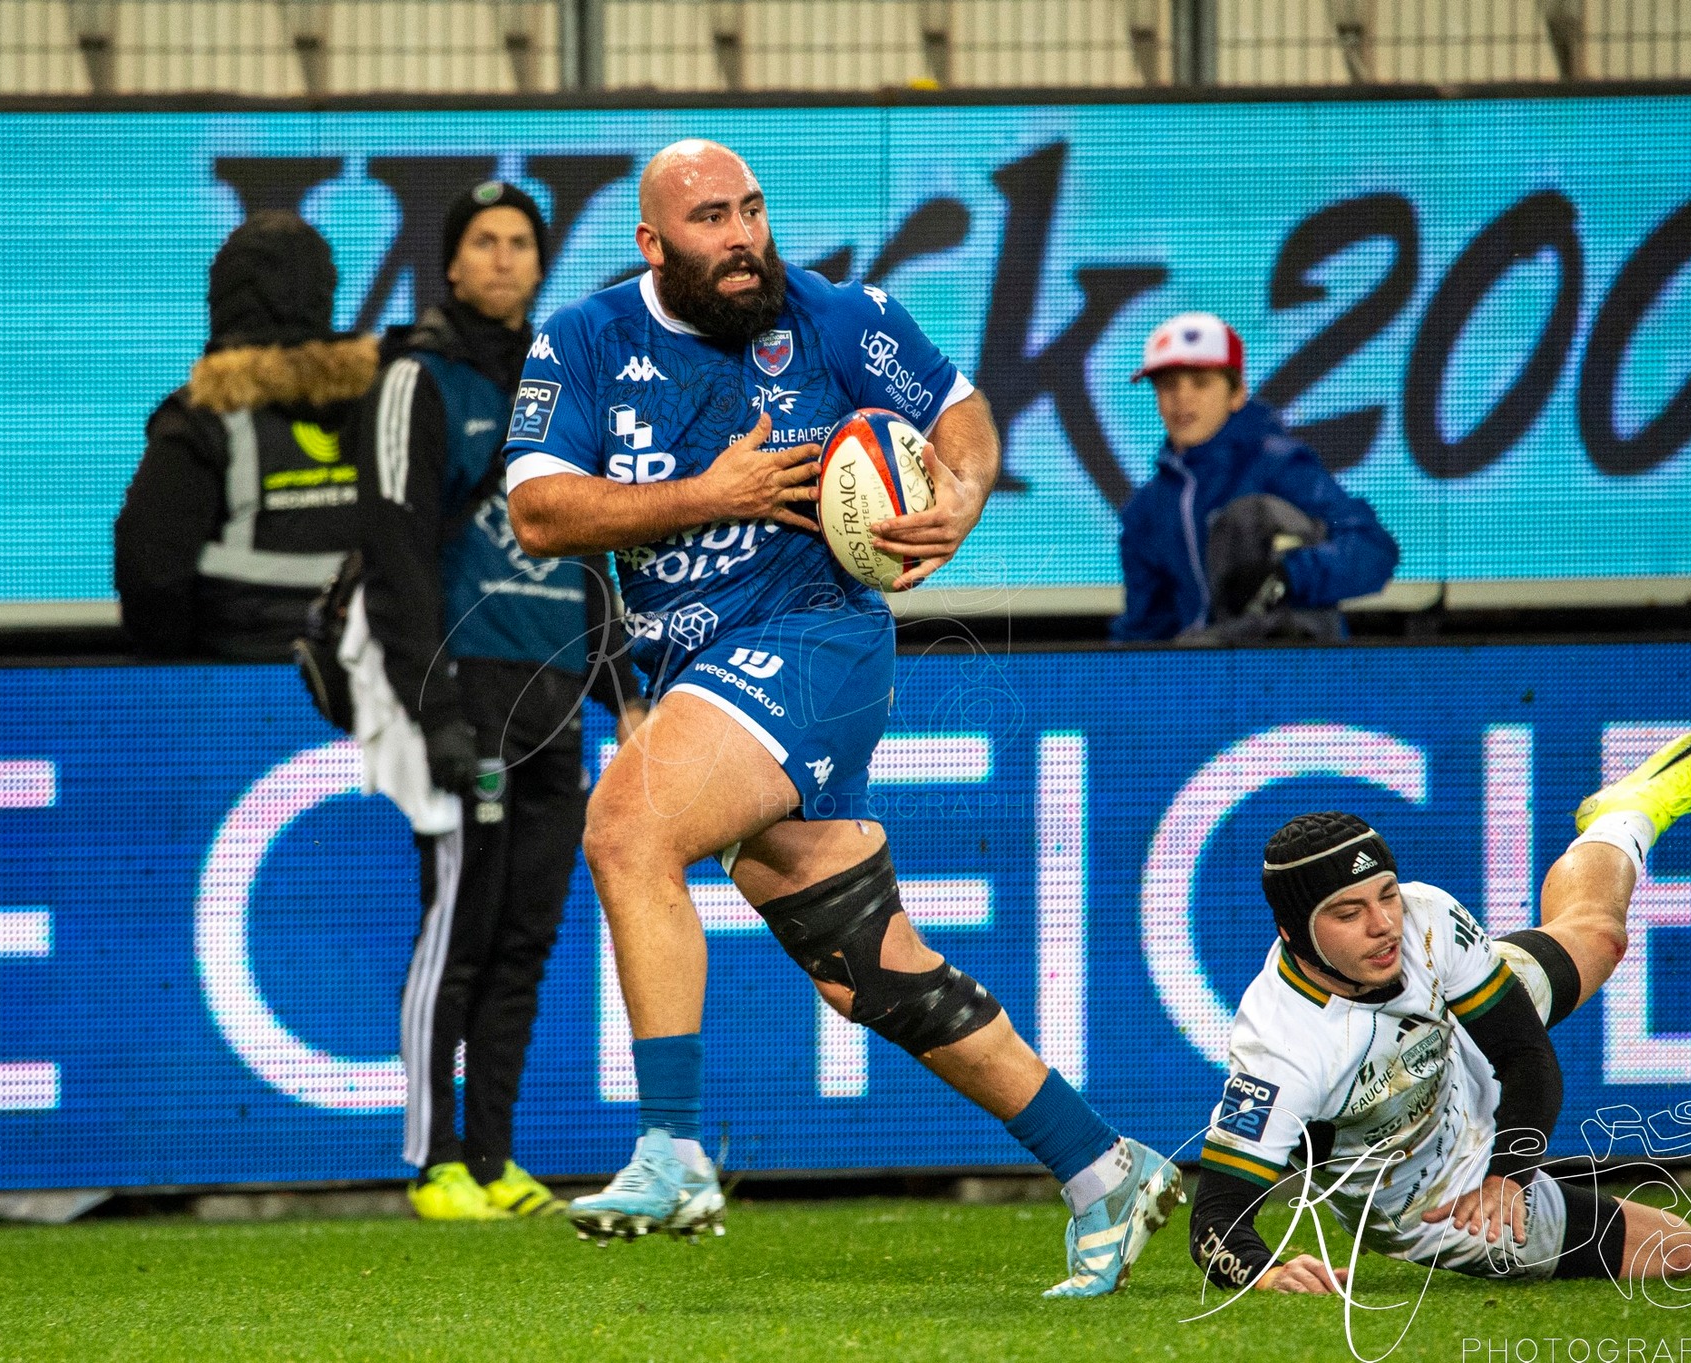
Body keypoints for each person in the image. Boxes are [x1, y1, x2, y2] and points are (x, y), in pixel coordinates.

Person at [502, 138, 1181, 1297]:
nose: (741, 237)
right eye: (710, 219)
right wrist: (700, 496)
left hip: (816, 638)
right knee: (869, 971)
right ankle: (1099, 1167)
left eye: (751, 210)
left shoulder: (832, 316)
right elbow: (538, 512)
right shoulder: (583, 341)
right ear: (651, 244)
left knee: (627, 828)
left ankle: (669, 1149)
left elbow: (960, 415)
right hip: (690, 669)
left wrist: (956, 504)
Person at [339, 181, 647, 1223]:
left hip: (557, 691)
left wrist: (623, 691)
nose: (506, 257)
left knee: (526, 934)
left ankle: (495, 1157)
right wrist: (431, 708)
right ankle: (433, 1165)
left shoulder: (560, 390)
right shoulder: (416, 381)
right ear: (453, 263)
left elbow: (593, 547)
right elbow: (393, 548)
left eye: (523, 241)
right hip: (464, 684)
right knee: (457, 929)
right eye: (485, 241)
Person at [1189, 730, 1691, 1293]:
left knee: (1597, 936)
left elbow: (1523, 1053)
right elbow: (1215, 1222)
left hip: (1460, 1042)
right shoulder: (1279, 1050)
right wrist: (1265, 1274)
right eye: (1347, 912)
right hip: (1432, 1193)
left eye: (1386, 892)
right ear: (1294, 934)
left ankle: (1624, 815)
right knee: (1679, 1251)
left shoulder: (1426, 921)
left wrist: (1508, 1173)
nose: (1384, 923)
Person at [115, 211, 376, 661]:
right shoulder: (382, 405)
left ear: (223, 299)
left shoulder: (203, 418)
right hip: (367, 684)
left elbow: (150, 574)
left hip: (234, 689)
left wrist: (186, 670)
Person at [1110, 312, 1398, 643]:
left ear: (1236, 394)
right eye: (1168, 384)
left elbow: (1371, 549)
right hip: (1200, 677)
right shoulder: (1147, 508)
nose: (1182, 397)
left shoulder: (1277, 464)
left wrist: (1286, 576)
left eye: (1200, 382)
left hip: (1293, 667)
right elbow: (1147, 628)